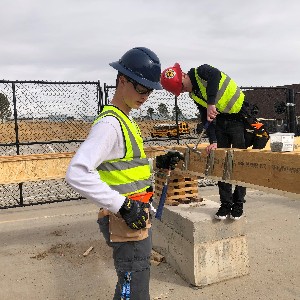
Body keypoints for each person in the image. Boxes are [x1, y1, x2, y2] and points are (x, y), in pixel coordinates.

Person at [66, 47, 182, 300]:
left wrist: (157, 163)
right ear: (122, 80)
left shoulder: (125, 119)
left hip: (135, 217)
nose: (146, 95)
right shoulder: (110, 125)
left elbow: (124, 166)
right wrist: (123, 206)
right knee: (133, 288)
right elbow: (76, 172)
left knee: (134, 281)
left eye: (150, 89)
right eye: (141, 87)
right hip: (125, 220)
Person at [160, 63, 268, 221]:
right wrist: (214, 140)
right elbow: (206, 117)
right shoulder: (194, 94)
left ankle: (238, 203)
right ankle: (225, 203)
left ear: (183, 75)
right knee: (221, 163)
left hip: (239, 117)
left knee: (238, 162)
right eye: (180, 91)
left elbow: (216, 76)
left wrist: (211, 103)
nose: (183, 91)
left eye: (181, 87)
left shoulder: (202, 71)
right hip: (221, 122)